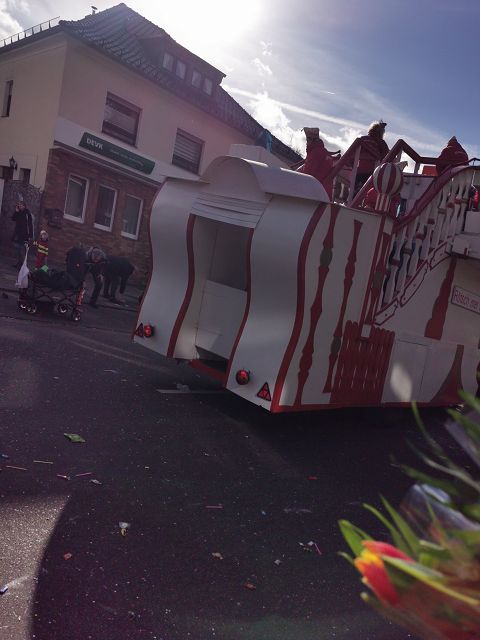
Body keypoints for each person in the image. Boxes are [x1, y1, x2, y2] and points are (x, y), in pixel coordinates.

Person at [298, 127, 340, 199]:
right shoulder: (324, 152)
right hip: (325, 193)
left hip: (314, 193)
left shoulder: (315, 153)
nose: (306, 143)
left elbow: (307, 173)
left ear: (312, 140)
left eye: (307, 139)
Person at [354, 120, 389, 192]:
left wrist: (352, 164)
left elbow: (353, 152)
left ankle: (354, 196)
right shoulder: (381, 142)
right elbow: (386, 156)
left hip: (359, 169)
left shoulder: (363, 139)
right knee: (368, 190)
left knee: (356, 189)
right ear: (381, 132)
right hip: (372, 171)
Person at [11, 200, 33, 268]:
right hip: (17, 234)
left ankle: (23, 266)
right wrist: (16, 211)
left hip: (24, 235)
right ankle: (19, 263)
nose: (19, 206)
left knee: (22, 251)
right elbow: (13, 218)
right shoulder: (18, 212)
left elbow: (30, 225)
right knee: (18, 250)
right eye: (19, 205)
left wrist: (30, 235)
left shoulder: (27, 214)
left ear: (24, 206)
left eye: (21, 205)